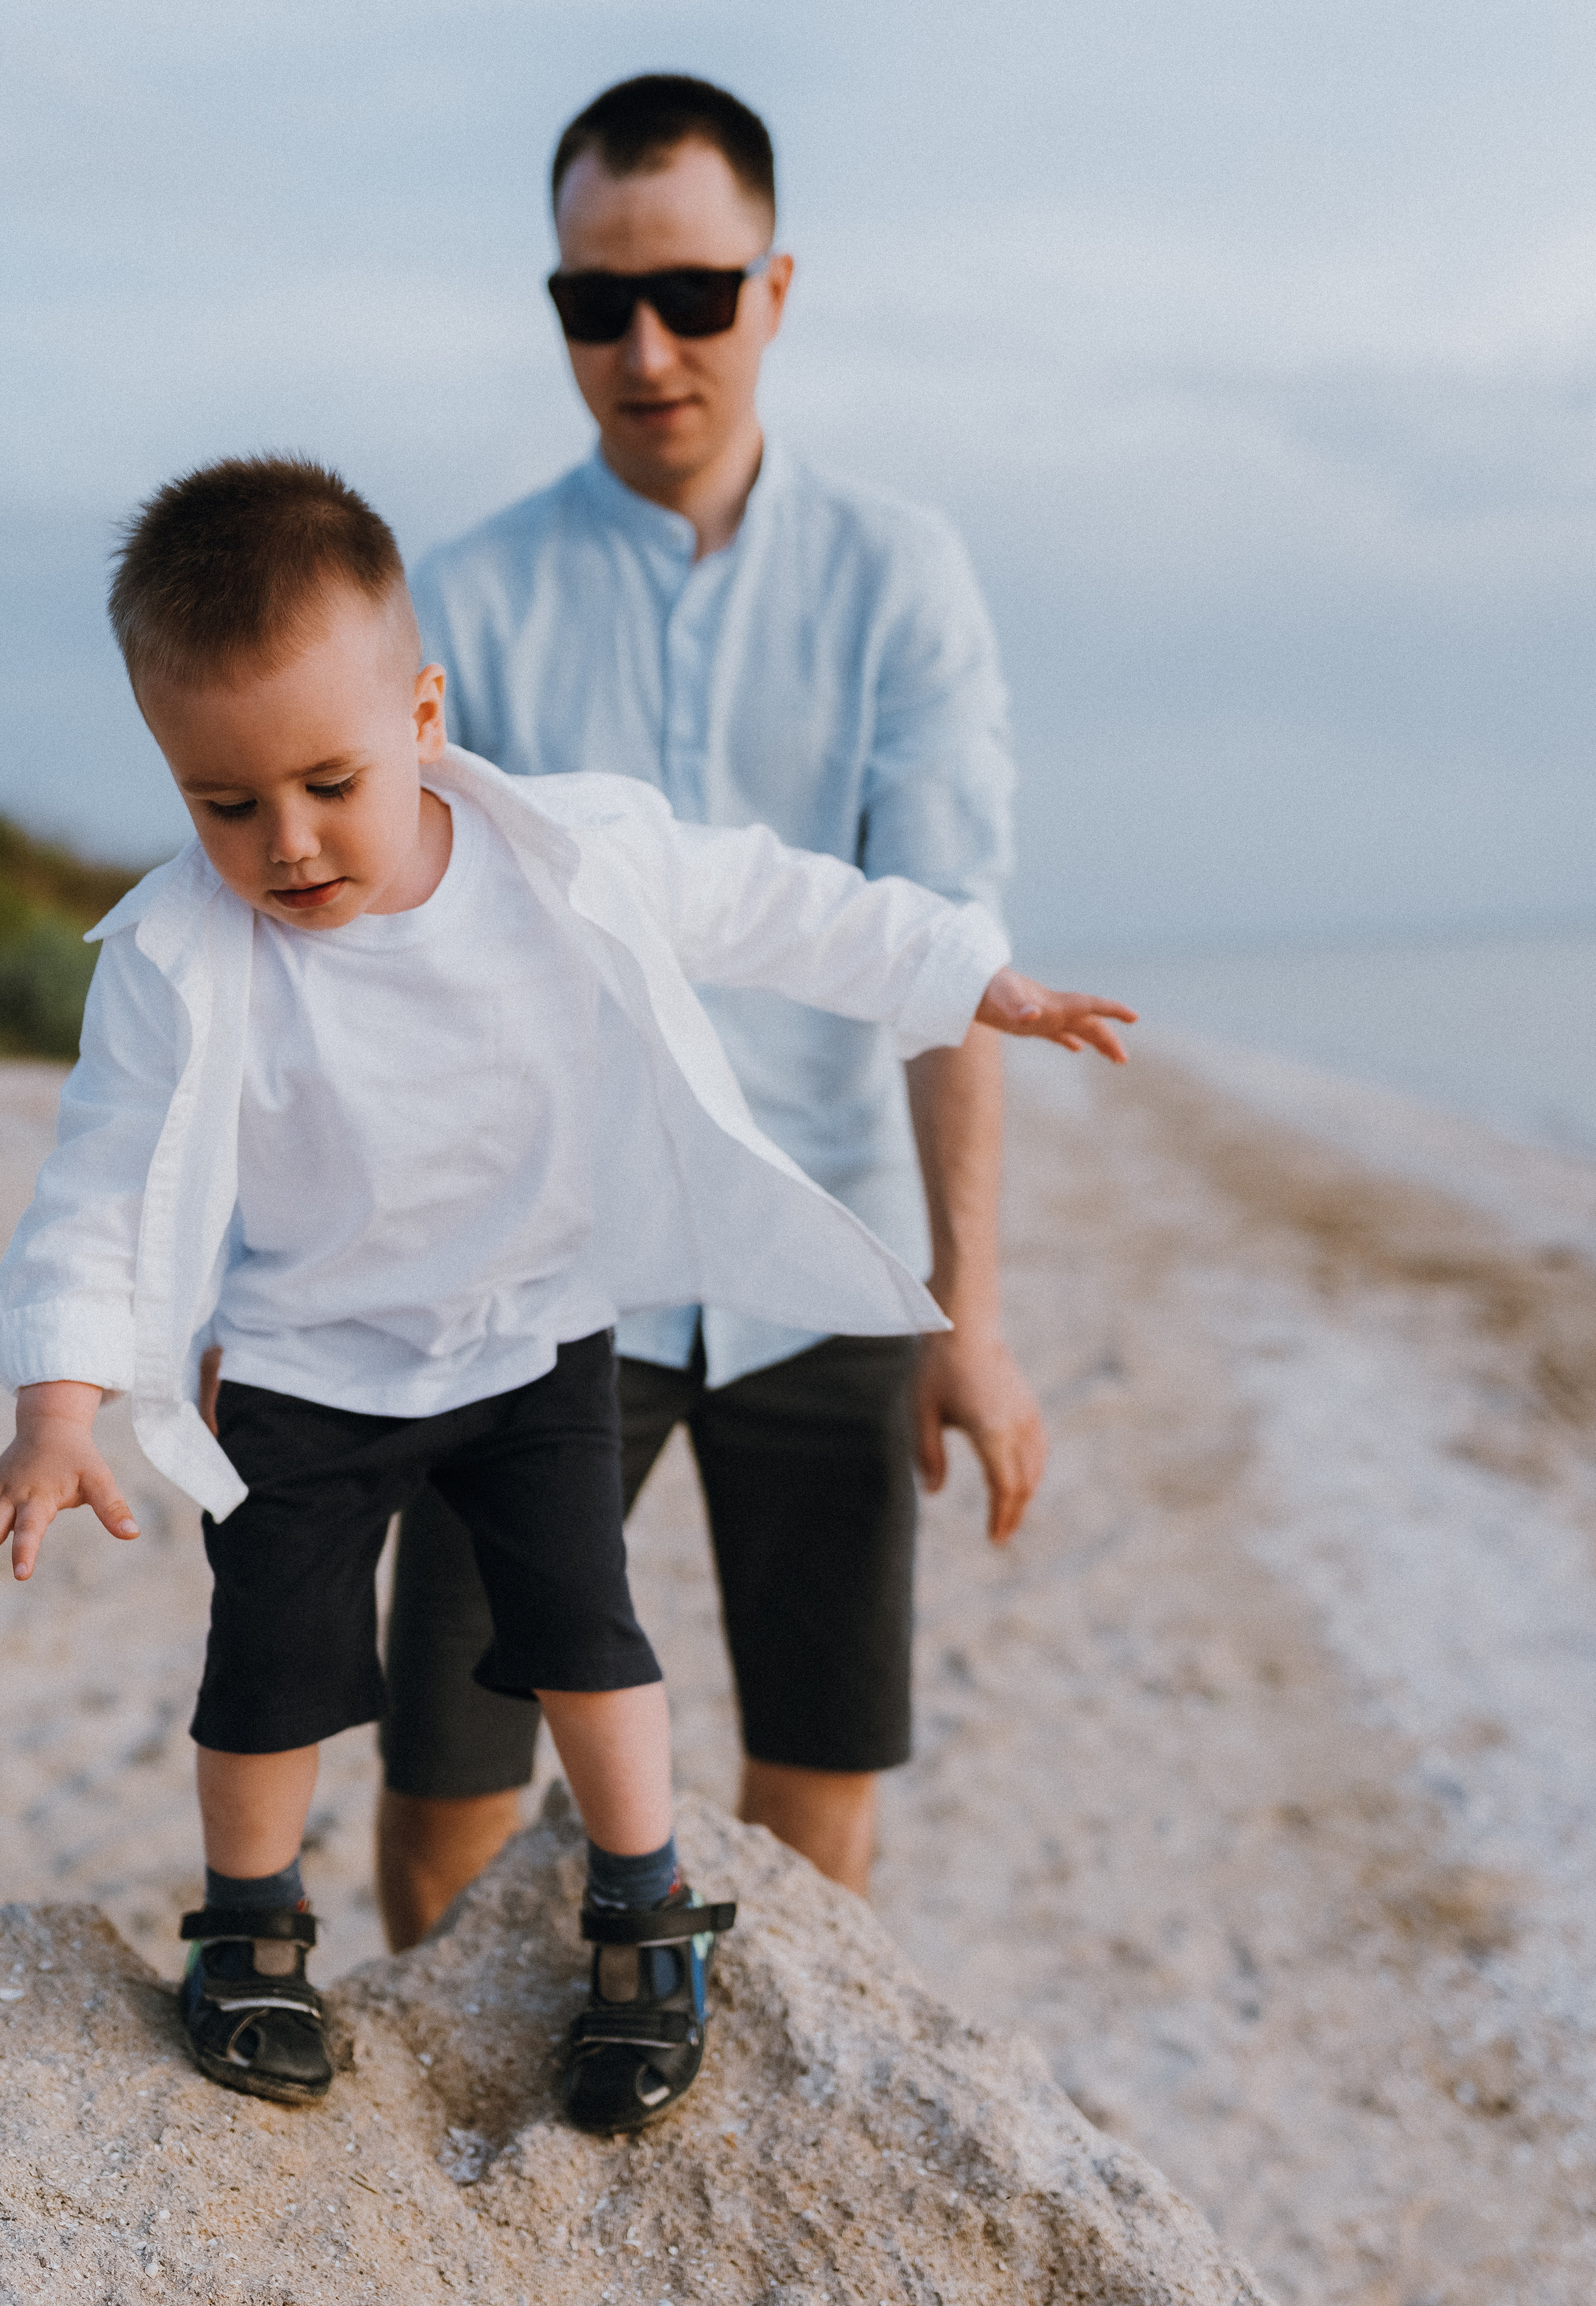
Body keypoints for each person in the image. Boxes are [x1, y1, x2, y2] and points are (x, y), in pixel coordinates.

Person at [0, 456, 1132, 2129]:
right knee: (268, 1663)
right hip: (303, 1362)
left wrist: (962, 972)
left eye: (328, 782)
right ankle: (250, 1934)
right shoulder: (177, 959)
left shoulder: (565, 853)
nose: (283, 844)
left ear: (423, 714)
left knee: (585, 1628)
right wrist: (58, 1407)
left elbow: (773, 899)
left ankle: (645, 1919)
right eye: (223, 804)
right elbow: (99, 1180)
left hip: (531, 1335)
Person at [379, 73, 1047, 1943]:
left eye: (692, 292)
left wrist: (970, 1320)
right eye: (599, 304)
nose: (648, 346)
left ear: (777, 286)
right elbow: (396, 970)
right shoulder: (469, 597)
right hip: (536, 1256)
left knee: (822, 1760)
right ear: (561, 313)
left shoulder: (900, 577)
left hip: (821, 1240)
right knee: (449, 1764)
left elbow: (939, 957)